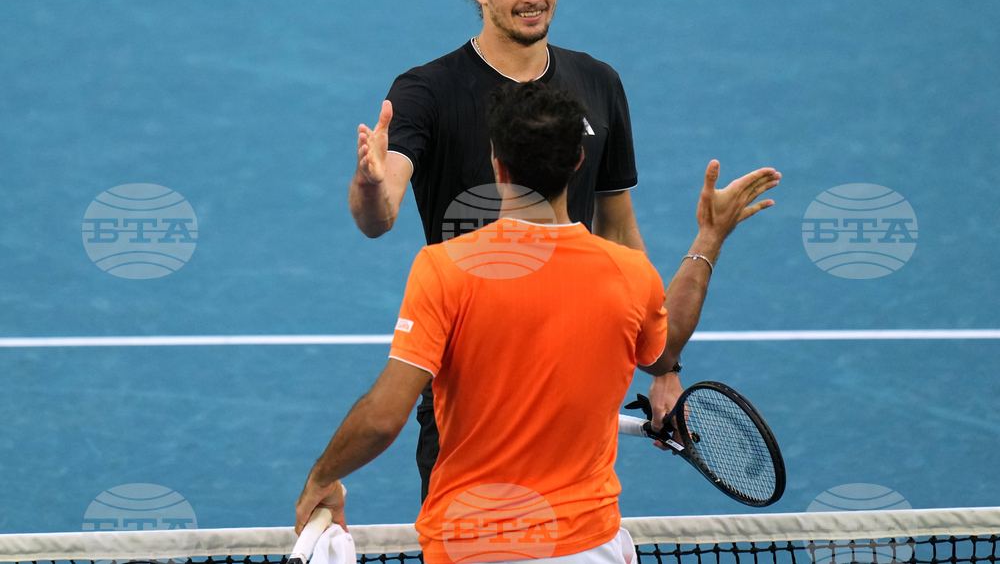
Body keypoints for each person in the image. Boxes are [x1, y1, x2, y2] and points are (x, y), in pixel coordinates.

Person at [347, 0, 779, 501]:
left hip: (577, 369)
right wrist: (370, 185)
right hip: (469, 382)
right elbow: (381, 217)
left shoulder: (597, 83)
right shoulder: (427, 91)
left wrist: (664, 369)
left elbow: (619, 230)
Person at [298, 82, 780, 564]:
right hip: (590, 547)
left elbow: (384, 418)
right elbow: (664, 351)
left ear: (496, 163)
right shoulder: (630, 273)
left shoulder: (445, 268)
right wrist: (710, 237)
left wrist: (323, 476)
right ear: (576, 163)